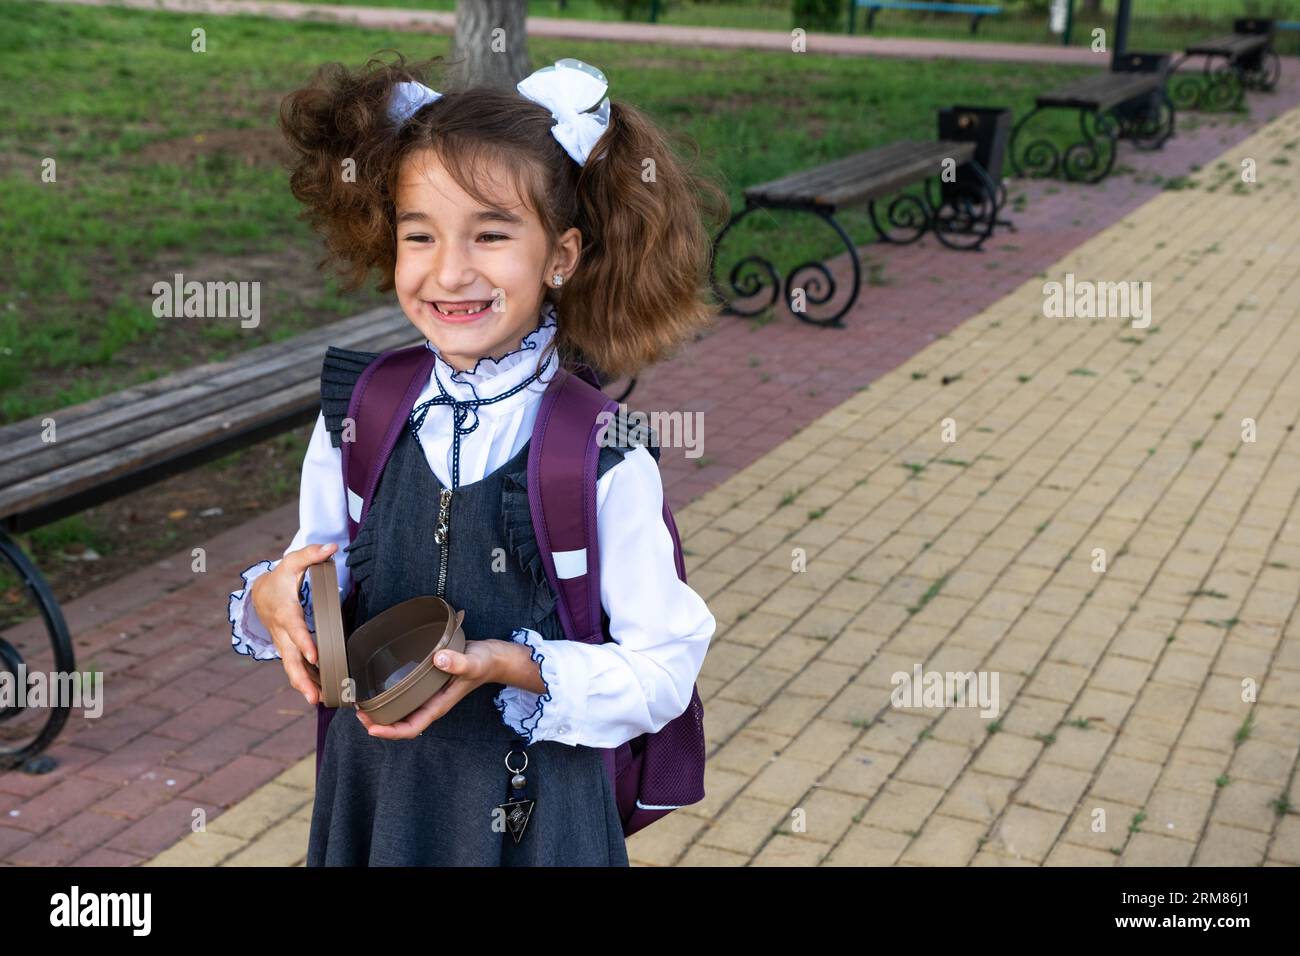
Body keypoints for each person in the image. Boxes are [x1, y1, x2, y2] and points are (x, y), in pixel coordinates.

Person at [225, 52, 729, 865]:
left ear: (560, 256)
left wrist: (517, 667)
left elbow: (663, 671)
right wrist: (280, 600)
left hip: (534, 822)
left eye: (491, 235)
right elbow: (319, 569)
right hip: (375, 803)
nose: (450, 271)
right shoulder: (359, 413)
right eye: (419, 235)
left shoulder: (600, 456)